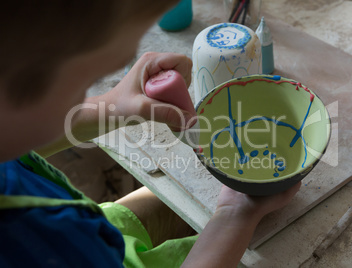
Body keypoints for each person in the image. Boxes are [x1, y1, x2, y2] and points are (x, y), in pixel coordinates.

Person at [0, 1, 300, 267]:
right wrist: (236, 214)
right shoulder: (44, 243)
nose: (85, 96)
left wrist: (115, 105)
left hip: (107, 229)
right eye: (92, 79)